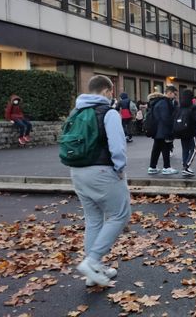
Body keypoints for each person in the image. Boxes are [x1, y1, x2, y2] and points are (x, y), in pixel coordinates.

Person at [70, 75, 130, 287]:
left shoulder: (76, 112)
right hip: (103, 171)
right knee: (119, 215)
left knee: (93, 219)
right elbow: (117, 146)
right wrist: (120, 168)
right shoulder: (109, 113)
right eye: (111, 92)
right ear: (107, 91)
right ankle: (93, 260)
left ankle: (92, 271)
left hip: (77, 171)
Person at [147, 86, 179, 175]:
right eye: (174, 94)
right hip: (163, 130)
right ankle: (166, 167)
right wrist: (171, 127)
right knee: (166, 148)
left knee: (156, 149)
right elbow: (166, 118)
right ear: (169, 93)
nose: (175, 96)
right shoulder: (164, 103)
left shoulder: (157, 102)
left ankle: (152, 167)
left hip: (157, 129)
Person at [174, 89, 196, 177]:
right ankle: (186, 166)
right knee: (194, 149)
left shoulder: (179, 108)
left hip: (181, 131)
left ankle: (185, 166)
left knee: (185, 149)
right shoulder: (193, 107)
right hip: (191, 131)